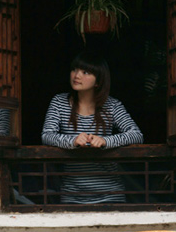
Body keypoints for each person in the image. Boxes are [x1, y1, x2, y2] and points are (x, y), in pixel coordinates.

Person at [41, 52, 143, 204]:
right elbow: (46, 136)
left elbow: (136, 135)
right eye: (74, 69)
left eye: (85, 72)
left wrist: (105, 141)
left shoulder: (112, 105)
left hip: (110, 194)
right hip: (72, 194)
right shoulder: (59, 102)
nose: (77, 75)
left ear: (98, 81)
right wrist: (72, 140)